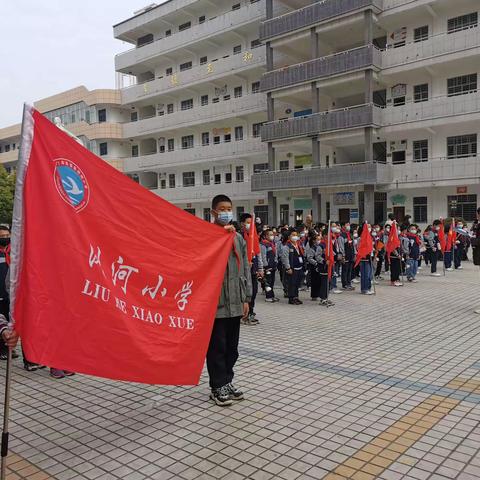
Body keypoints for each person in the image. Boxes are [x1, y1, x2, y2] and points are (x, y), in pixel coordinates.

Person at [207, 195, 252, 406]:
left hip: (236, 300)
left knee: (232, 348)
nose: (226, 212)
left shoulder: (238, 238)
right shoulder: (207, 235)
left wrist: (246, 298)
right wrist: (216, 238)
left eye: (229, 208)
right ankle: (217, 386)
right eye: (222, 209)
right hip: (216, 304)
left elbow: (245, 269)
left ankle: (227, 381)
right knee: (217, 347)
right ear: (214, 212)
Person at [239, 214, 264, 325]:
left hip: (253, 271)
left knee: (253, 292)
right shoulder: (239, 237)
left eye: (251, 222)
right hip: (243, 272)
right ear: (242, 224)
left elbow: (258, 254)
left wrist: (260, 268)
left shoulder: (254, 237)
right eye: (248, 222)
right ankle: (244, 315)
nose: (250, 225)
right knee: (245, 293)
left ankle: (251, 312)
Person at [281, 230, 305, 305]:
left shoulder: (298, 245)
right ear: (289, 237)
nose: (295, 236)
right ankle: (291, 298)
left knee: (297, 283)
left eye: (296, 235)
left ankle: (296, 297)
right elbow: (285, 258)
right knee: (292, 284)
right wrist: (288, 268)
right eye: (293, 235)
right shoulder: (287, 246)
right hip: (292, 268)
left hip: (299, 268)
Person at [260, 229, 279, 303]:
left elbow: (275, 254)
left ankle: (272, 295)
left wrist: (276, 262)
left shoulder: (272, 243)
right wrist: (266, 266)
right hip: (267, 267)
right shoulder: (263, 244)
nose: (272, 236)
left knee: (272, 282)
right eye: (270, 234)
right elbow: (263, 256)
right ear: (265, 236)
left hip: (273, 265)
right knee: (268, 282)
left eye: (272, 234)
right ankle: (268, 297)